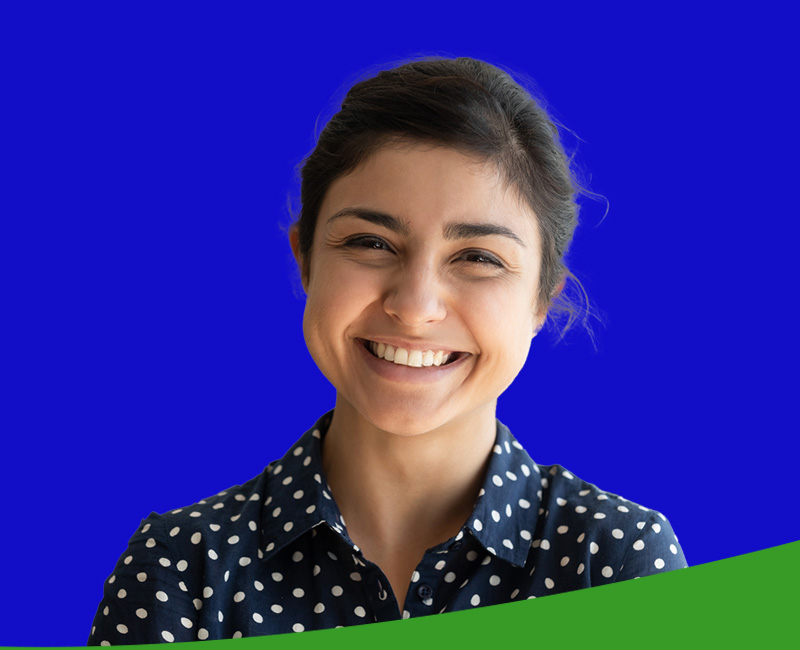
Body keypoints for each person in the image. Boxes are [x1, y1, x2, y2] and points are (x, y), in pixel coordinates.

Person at [88, 56, 687, 644]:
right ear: (305, 260)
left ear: (540, 301)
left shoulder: (612, 561)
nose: (415, 304)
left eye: (478, 257)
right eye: (372, 242)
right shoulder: (181, 569)